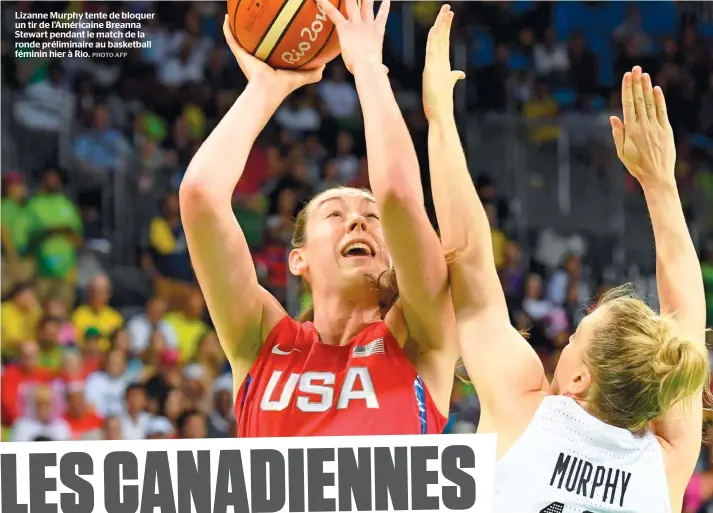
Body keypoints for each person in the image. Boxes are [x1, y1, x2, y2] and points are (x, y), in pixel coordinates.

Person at [423, 9, 708, 513]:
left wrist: (441, 121)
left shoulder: (527, 411)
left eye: (576, 337)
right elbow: (686, 318)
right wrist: (662, 185)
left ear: (579, 379)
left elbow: (467, 256)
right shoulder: (663, 465)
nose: (567, 343)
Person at [179, 0, 457, 437]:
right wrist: (265, 88)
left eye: (371, 215)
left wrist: (367, 66)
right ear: (298, 259)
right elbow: (200, 196)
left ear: (393, 254)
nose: (358, 221)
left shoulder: (419, 333)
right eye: (334, 212)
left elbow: (400, 196)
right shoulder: (261, 340)